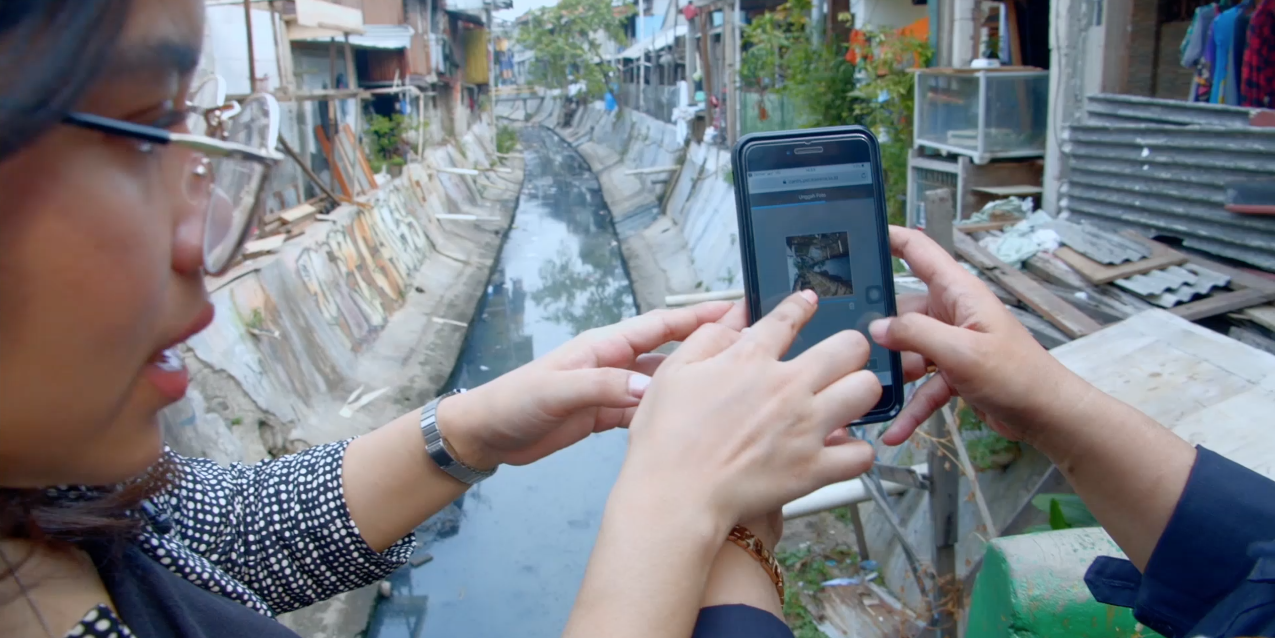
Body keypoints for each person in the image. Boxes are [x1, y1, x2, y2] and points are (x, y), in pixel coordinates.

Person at [0, 2, 902, 637]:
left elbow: (230, 533)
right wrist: (687, 508)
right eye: (145, 131)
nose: (204, 233)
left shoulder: (50, 500)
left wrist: (470, 429)